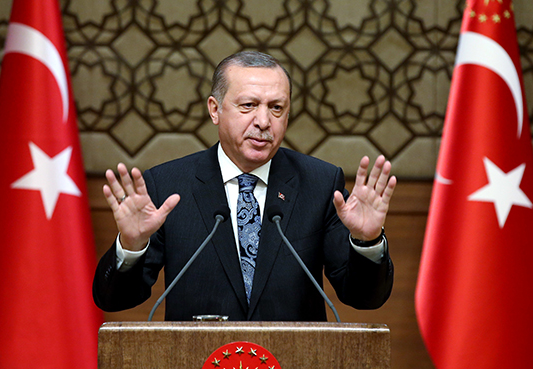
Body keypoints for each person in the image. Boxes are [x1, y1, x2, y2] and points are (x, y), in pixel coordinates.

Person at [93, 51, 397, 321]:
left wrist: (367, 242)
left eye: (276, 108)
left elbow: (363, 298)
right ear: (215, 109)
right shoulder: (168, 185)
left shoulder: (319, 185)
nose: (264, 121)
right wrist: (131, 247)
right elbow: (115, 299)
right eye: (249, 105)